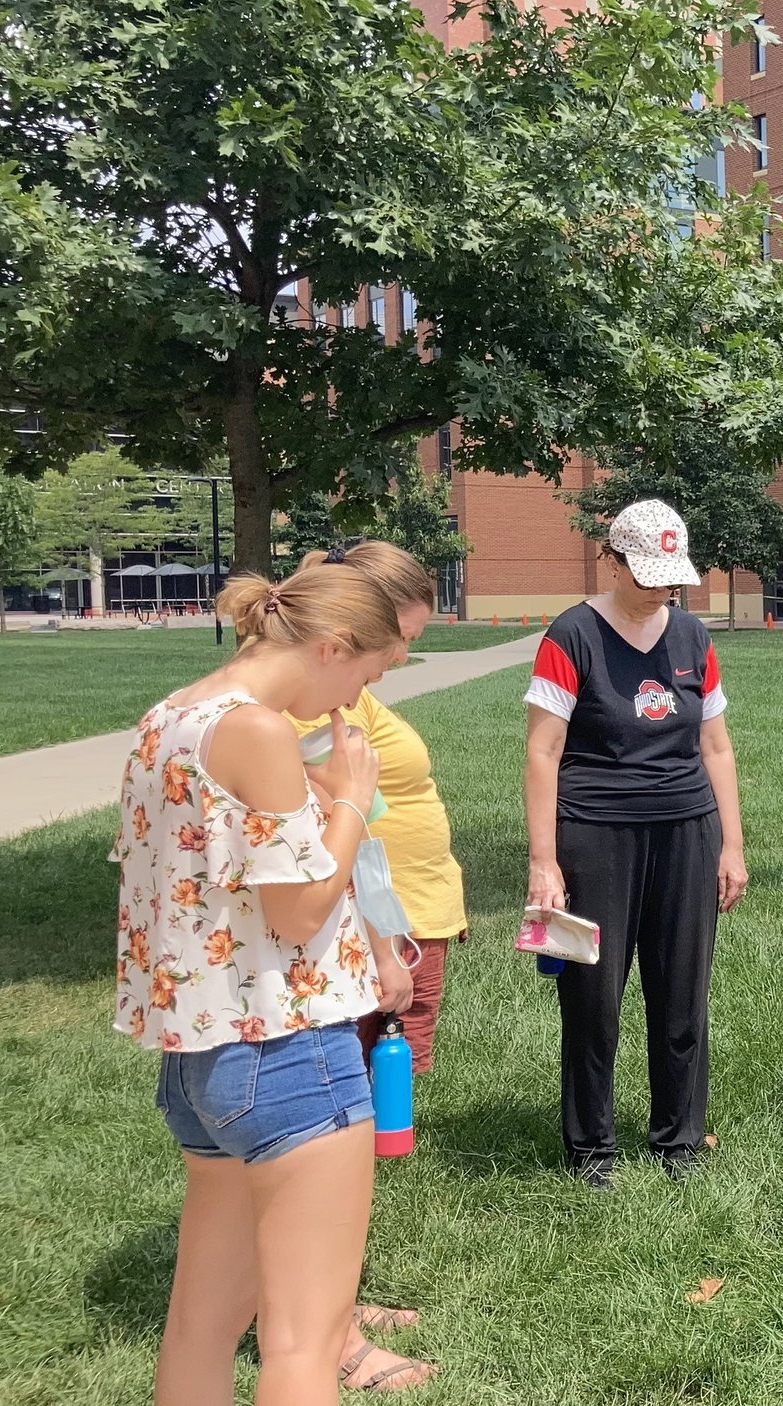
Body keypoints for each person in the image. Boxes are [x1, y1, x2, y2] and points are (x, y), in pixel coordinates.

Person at [113, 565, 413, 1406]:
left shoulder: (170, 715)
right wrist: (352, 801)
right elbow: (299, 911)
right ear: (331, 646)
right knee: (301, 1344)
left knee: (200, 1327)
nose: (356, 699)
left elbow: (212, 879)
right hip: (290, 1046)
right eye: (367, 672)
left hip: (200, 1052)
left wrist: (316, 808)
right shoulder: (261, 732)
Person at [523, 499, 749, 1189]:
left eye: (670, 575)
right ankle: (592, 1148)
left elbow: (715, 744)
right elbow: (543, 750)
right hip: (594, 835)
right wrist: (544, 862)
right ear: (611, 561)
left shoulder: (691, 637)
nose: (662, 588)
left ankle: (677, 1140)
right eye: (647, 573)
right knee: (592, 998)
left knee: (682, 995)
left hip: (686, 830)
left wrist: (731, 845)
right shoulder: (572, 635)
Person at [287, 541, 460, 1391]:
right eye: (389, 650)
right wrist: (381, 938)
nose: (388, 671)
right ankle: (326, 1327)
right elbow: (337, 848)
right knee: (328, 1141)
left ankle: (337, 1300)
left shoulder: (336, 705)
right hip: (349, 943)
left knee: (352, 1134)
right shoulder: (304, 715)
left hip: (385, 929)